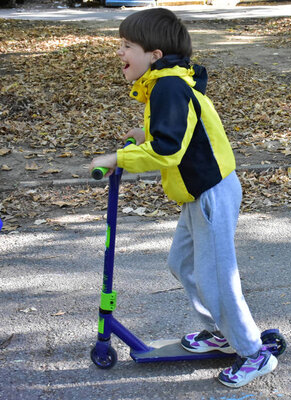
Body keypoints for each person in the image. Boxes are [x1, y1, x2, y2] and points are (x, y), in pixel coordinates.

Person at [89, 8, 277, 388]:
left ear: (154, 54)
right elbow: (178, 131)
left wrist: (118, 157)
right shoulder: (166, 83)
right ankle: (221, 334)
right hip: (200, 194)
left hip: (211, 193)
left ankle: (254, 353)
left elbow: (168, 150)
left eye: (128, 46)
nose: (120, 52)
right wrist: (142, 137)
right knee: (183, 263)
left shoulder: (169, 86)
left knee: (216, 279)